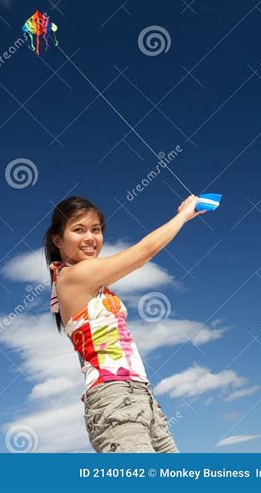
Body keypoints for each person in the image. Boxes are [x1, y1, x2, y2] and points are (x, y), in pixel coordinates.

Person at [44, 194, 206, 453]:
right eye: (78, 230)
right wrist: (184, 215)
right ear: (58, 240)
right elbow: (144, 251)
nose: (90, 238)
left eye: (95, 230)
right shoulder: (74, 275)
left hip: (141, 396)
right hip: (114, 397)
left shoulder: (91, 282)